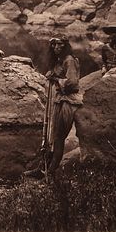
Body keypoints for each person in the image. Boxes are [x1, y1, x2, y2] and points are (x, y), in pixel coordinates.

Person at [25, 38, 82, 178]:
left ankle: (50, 171)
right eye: (54, 44)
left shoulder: (69, 60)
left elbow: (73, 83)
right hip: (56, 100)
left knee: (58, 136)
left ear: (65, 46)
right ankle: (42, 167)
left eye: (60, 44)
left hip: (67, 102)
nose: (57, 47)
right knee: (48, 134)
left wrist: (55, 79)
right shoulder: (58, 60)